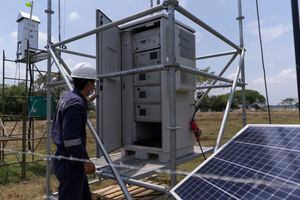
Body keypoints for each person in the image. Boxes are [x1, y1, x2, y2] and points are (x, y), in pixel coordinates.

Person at [52, 62, 97, 200]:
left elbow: (80, 103)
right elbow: (71, 140)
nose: (94, 85)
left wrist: (93, 97)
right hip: (70, 162)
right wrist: (85, 161)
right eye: (93, 82)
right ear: (88, 84)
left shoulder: (68, 97)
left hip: (68, 159)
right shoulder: (75, 104)